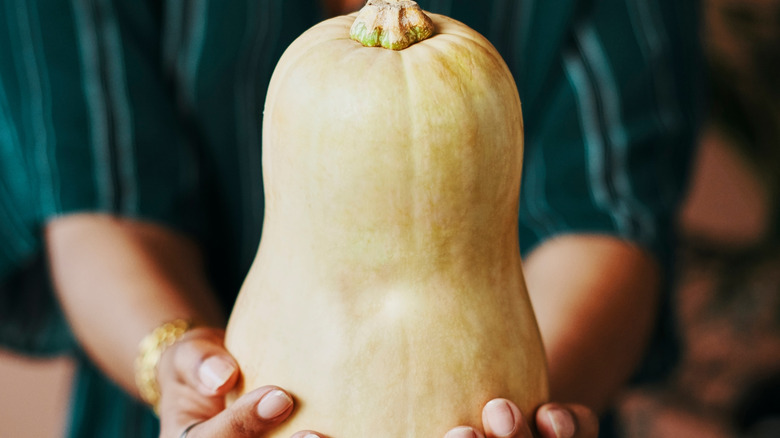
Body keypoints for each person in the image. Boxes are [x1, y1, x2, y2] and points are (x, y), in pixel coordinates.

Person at [0, 0, 701, 437]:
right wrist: (179, 365)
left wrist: (527, 407)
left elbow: (608, 213)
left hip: (509, 395)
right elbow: (98, 198)